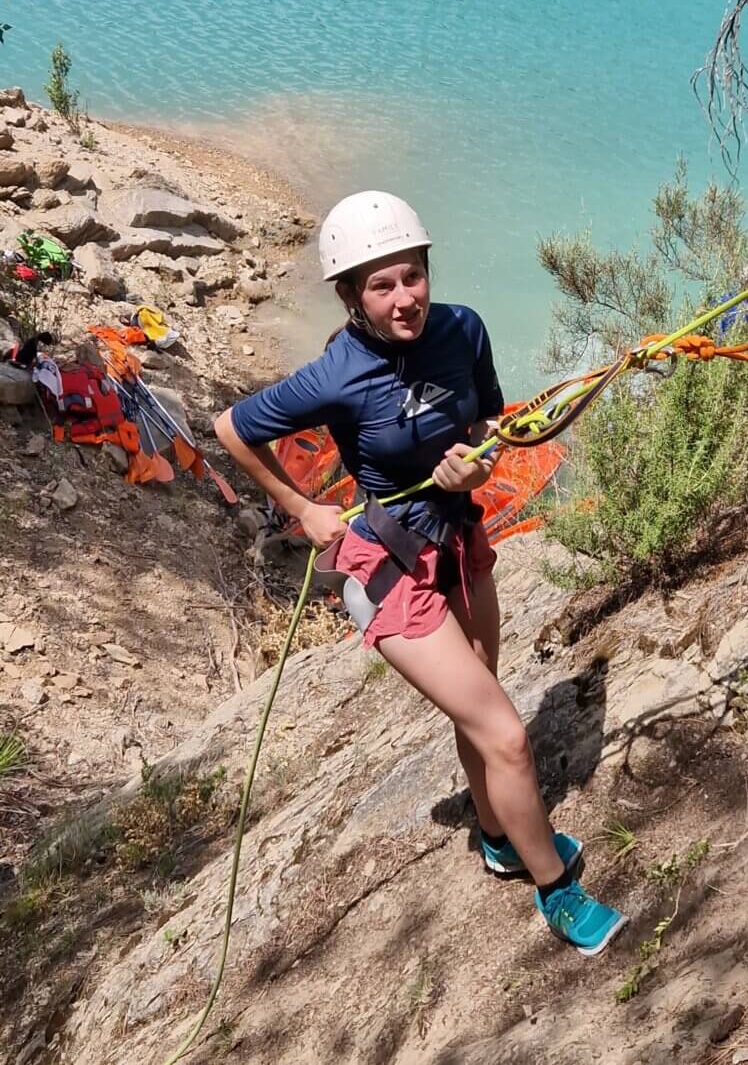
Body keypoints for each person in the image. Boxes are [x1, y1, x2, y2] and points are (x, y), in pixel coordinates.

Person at [214, 191, 627, 956]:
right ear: (349, 296)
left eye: (412, 276)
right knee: (506, 733)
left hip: (460, 544)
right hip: (389, 568)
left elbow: (489, 420)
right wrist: (302, 509)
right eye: (381, 285)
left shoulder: (463, 328)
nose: (404, 298)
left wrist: (476, 460)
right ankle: (558, 895)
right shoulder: (336, 376)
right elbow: (230, 428)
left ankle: (499, 835)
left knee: (482, 705)